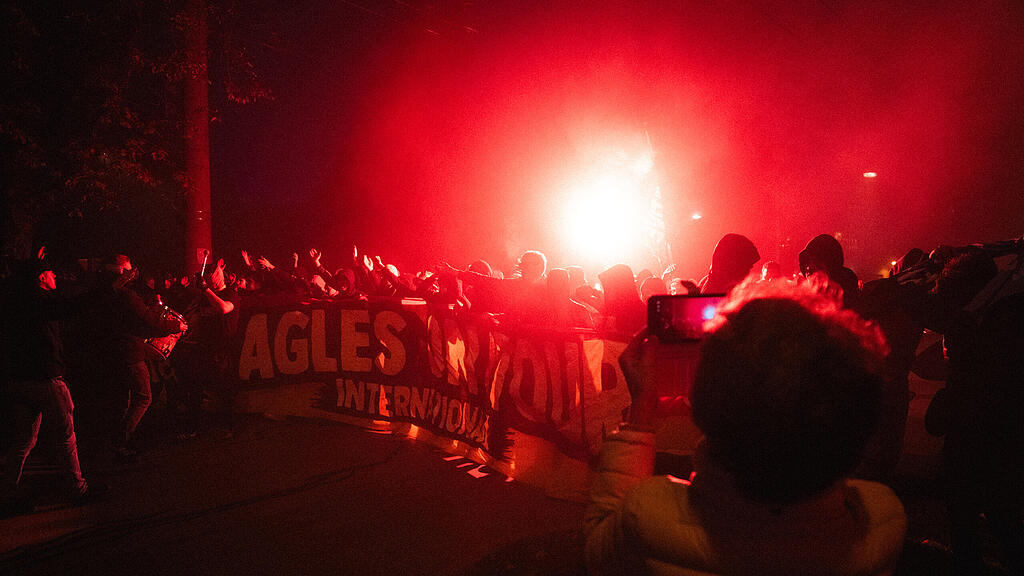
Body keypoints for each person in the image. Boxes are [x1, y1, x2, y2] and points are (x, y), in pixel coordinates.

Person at [585, 279, 906, 576]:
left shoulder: (649, 517)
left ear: (705, 404)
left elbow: (597, 549)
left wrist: (641, 406)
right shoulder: (880, 521)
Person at [1, 257, 107, 515]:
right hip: (46, 379)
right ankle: (77, 490)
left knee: (24, 441)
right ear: (40, 278)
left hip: (19, 380)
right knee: (66, 437)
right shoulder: (37, 301)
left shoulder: (14, 300)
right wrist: (102, 289)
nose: (55, 277)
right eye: (50, 273)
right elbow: (69, 308)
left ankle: (6, 495)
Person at [92, 254, 186, 460]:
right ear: (122, 273)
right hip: (130, 353)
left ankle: (111, 440)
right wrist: (175, 326)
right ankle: (120, 442)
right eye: (129, 269)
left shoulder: (103, 294)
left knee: (123, 398)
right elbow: (149, 319)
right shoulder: (126, 296)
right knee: (144, 396)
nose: (134, 273)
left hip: (112, 351)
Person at [169, 257, 238, 438]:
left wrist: (206, 289)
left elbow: (224, 308)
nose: (210, 278)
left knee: (224, 391)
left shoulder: (231, 294)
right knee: (195, 390)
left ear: (221, 272)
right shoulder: (203, 297)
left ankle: (227, 428)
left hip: (222, 350)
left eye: (213, 274)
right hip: (202, 349)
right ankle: (192, 428)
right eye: (207, 275)